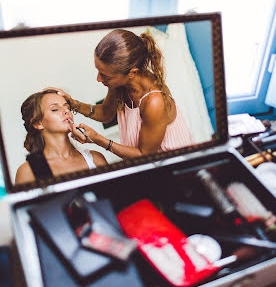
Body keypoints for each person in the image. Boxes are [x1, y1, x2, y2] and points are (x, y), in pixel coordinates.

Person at [45, 28, 194, 160]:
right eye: (98, 71)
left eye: (105, 76)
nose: (98, 79)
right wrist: (73, 104)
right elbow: (105, 113)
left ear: (132, 73)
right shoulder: (121, 83)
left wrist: (98, 139)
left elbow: (145, 155)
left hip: (175, 168)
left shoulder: (154, 102)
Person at [15, 89, 107, 184]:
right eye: (55, 109)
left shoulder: (96, 159)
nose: (66, 111)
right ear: (38, 123)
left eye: (68, 107)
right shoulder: (27, 172)